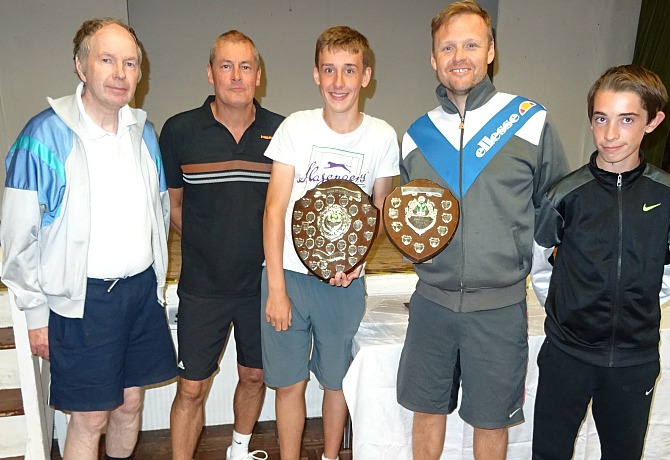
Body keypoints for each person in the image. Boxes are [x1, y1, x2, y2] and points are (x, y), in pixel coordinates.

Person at [395, 1, 570, 458]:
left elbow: (555, 208)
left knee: (492, 420)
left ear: (491, 50)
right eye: (447, 46)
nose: (459, 56)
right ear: (433, 58)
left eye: (471, 44)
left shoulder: (529, 120)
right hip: (431, 305)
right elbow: (408, 220)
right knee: (425, 410)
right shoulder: (416, 134)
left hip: (500, 306)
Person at [0, 18, 176, 460]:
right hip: (83, 301)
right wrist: (36, 311)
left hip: (139, 292)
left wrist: (155, 285)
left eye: (131, 63)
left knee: (131, 403)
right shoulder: (43, 137)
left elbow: (157, 213)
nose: (121, 73)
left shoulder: (143, 133)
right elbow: (17, 236)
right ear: (81, 66)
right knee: (91, 417)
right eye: (107, 60)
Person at [529, 65, 670, 459]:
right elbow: (540, 266)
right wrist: (569, 310)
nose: (610, 134)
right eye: (601, 118)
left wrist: (636, 301)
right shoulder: (566, 194)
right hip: (566, 354)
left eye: (626, 119)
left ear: (652, 122)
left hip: (633, 359)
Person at [262, 25, 399, 460]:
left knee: (336, 382)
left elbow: (380, 209)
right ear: (316, 76)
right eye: (329, 70)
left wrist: (357, 261)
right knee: (289, 383)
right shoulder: (295, 129)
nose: (339, 82)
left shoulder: (381, 136)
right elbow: (273, 210)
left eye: (349, 70)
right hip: (288, 279)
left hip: (343, 283)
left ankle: (328, 456)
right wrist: (278, 289)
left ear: (366, 75)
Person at [160, 30, 284, 460]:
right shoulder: (179, 130)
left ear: (258, 74)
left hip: (263, 287)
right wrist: (211, 247)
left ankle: (239, 450)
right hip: (202, 286)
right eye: (226, 66)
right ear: (210, 73)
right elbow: (174, 208)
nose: (236, 76)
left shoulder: (282, 132)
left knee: (254, 376)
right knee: (192, 388)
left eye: (245, 66)